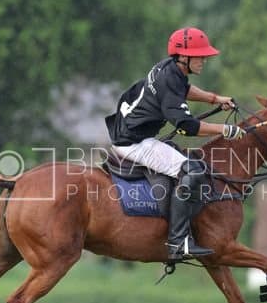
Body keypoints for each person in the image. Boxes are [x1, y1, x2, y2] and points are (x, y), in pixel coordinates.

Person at [104, 27, 244, 261]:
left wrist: (214, 99)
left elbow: (184, 89)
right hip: (134, 143)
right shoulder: (170, 77)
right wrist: (225, 129)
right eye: (200, 56)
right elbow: (186, 126)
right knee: (192, 170)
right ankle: (179, 241)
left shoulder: (170, 69)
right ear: (183, 56)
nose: (204, 60)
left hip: (131, 134)